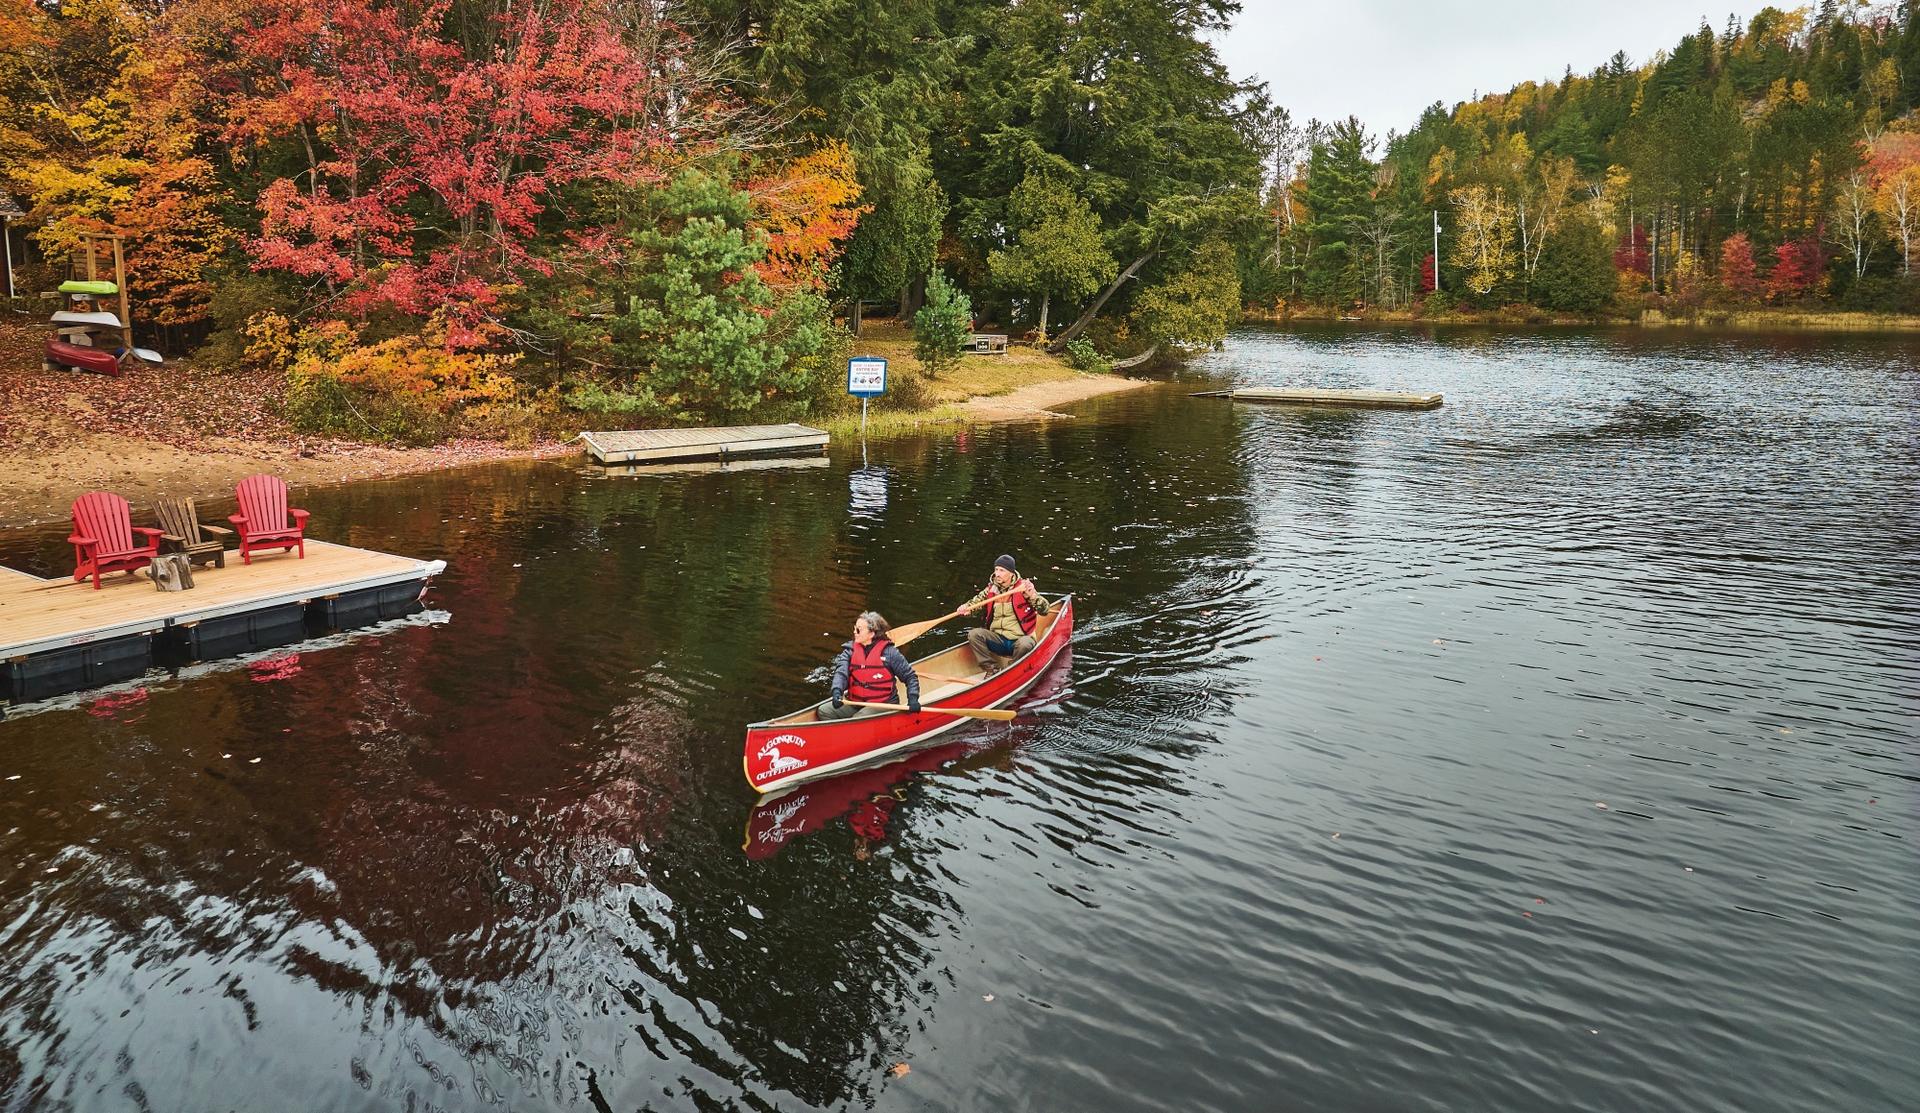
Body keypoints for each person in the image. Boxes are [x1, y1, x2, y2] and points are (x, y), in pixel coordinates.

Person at [952, 554, 1050, 675]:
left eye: (1002, 570)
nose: (997, 573)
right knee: (974, 634)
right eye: (996, 569)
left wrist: (1033, 596)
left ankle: (1010, 669)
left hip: (1019, 640)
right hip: (998, 640)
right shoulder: (990, 590)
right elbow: (975, 603)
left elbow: (1045, 610)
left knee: (1025, 643)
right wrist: (966, 608)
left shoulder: (1024, 588)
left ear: (1011, 573)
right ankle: (992, 669)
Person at [818, 611, 921, 720]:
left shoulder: (890, 653)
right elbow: (841, 673)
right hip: (855, 702)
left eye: (858, 630)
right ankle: (841, 735)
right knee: (824, 711)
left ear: (871, 633)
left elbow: (910, 677)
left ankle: (852, 733)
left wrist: (913, 699)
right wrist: (837, 691)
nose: (854, 632)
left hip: (883, 703)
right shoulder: (850, 651)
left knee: (859, 718)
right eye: (854, 628)